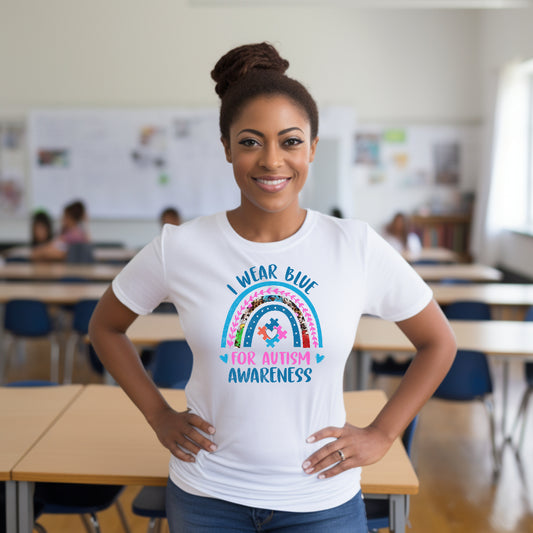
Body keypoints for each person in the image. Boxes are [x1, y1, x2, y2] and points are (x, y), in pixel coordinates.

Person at [89, 42, 456, 533]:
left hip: (321, 497)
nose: (271, 161)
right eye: (250, 142)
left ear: (313, 148)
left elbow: (438, 342)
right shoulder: (180, 246)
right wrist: (159, 415)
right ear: (226, 149)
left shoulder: (355, 245)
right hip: (206, 497)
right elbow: (105, 328)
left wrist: (383, 434)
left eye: (289, 141)